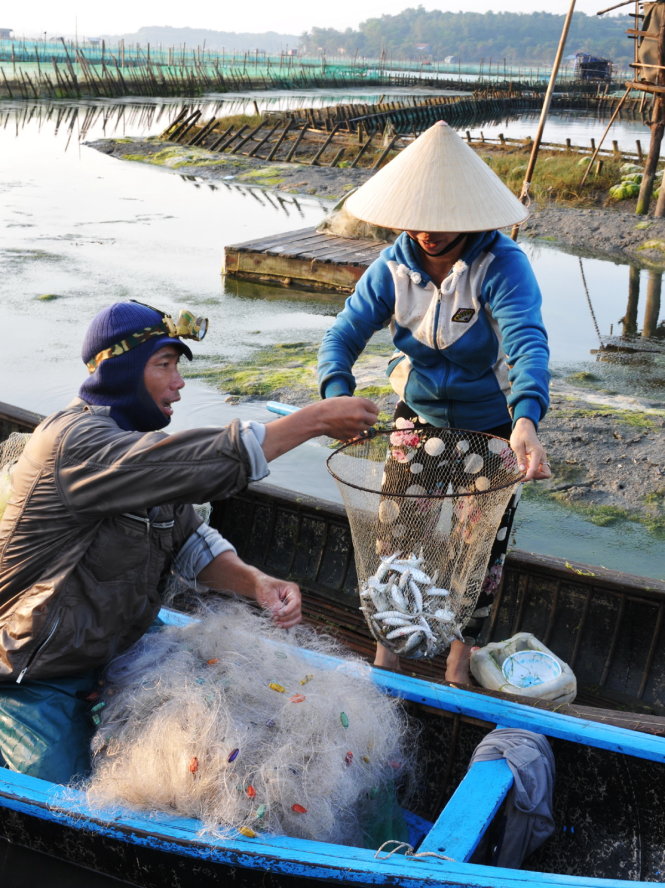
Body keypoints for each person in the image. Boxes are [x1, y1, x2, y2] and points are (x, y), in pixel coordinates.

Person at [0, 299, 378, 784]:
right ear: (121, 371)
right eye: (165, 365)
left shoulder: (135, 443)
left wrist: (256, 582)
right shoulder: (76, 442)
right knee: (69, 793)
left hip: (116, 649)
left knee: (240, 713)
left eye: (178, 366)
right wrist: (315, 420)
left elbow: (187, 539)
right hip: (36, 669)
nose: (179, 383)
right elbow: (207, 462)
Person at [317, 121, 552, 683]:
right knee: (398, 537)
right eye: (417, 218)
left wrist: (526, 419)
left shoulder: (502, 264)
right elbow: (342, 336)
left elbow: (526, 341)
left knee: (479, 551)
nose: (427, 231)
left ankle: (458, 664)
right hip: (418, 419)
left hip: (494, 427)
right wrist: (336, 396)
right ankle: (389, 654)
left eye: (442, 221)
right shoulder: (393, 268)